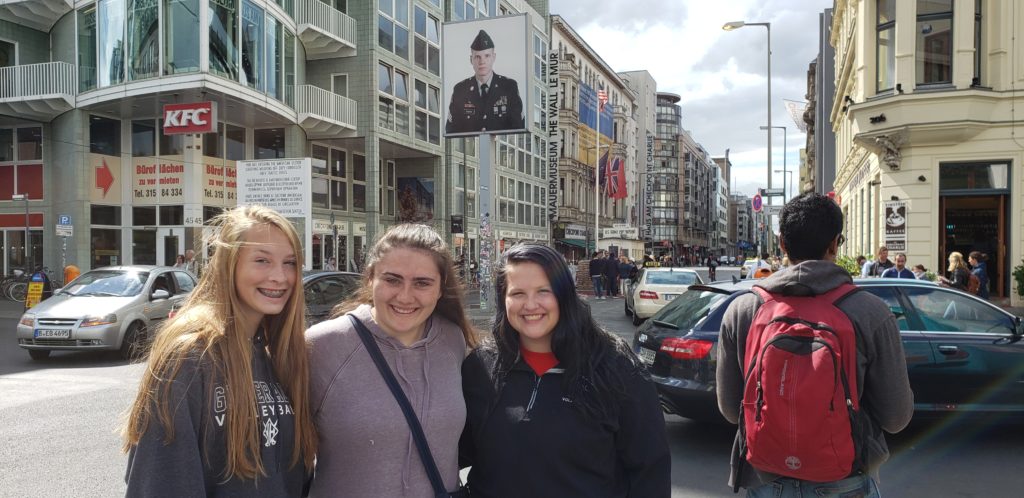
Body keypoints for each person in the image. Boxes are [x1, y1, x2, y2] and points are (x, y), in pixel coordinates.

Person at [716, 192, 913, 497]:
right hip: (846, 479)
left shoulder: (743, 310)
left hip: (766, 479)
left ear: (782, 243)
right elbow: (896, 417)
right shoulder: (870, 312)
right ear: (835, 244)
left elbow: (731, 410)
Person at [122, 205, 317, 496]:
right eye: (262, 260)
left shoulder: (282, 356)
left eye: (289, 263)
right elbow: (160, 481)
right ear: (230, 265)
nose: (280, 276)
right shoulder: (190, 357)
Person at [460, 244, 671, 497]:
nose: (530, 304)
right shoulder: (480, 367)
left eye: (543, 291)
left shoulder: (615, 366)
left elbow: (650, 470)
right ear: (503, 299)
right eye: (517, 293)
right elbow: (452, 453)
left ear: (564, 295)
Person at [305, 224, 477, 497]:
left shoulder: (452, 340)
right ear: (370, 278)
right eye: (392, 280)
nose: (405, 296)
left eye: (422, 283)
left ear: (441, 290)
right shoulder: (321, 346)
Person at [445, 29, 524, 134]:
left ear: (493, 57)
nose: (482, 61)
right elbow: (451, 130)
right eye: (477, 57)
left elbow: (519, 127)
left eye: (487, 56)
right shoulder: (460, 90)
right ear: (471, 60)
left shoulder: (509, 87)